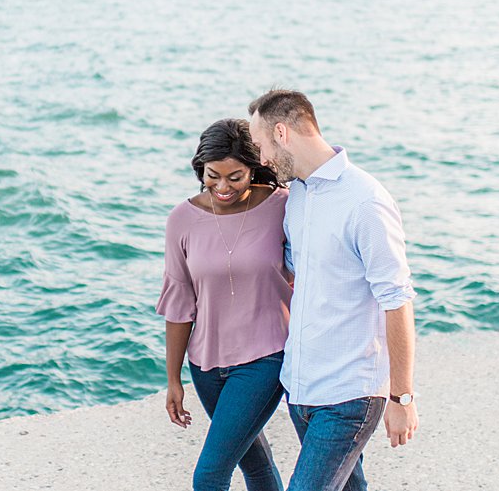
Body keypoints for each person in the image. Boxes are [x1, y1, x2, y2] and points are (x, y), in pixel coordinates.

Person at [247, 89, 419, 491]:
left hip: (349, 394)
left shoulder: (365, 202)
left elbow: (397, 300)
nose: (262, 159)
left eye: (260, 146)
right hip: (302, 387)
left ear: (281, 132)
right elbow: (295, 275)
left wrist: (402, 397)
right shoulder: (298, 197)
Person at [157, 118, 293, 491]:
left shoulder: (283, 207)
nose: (222, 187)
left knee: (209, 475)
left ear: (254, 168)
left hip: (266, 357)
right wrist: (173, 379)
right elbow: (179, 303)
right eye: (212, 175)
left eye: (235, 177)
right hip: (205, 366)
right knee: (256, 464)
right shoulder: (181, 220)